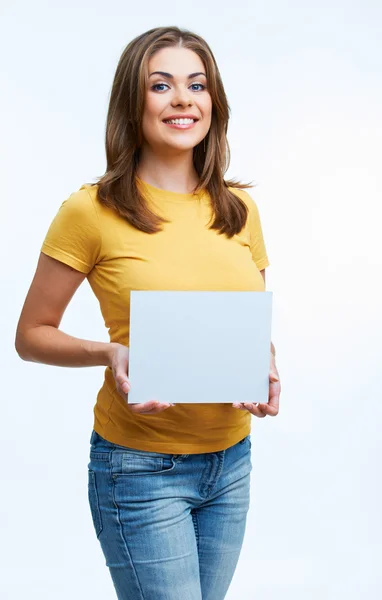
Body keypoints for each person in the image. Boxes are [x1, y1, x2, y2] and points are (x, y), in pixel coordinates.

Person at [15, 25, 281, 600]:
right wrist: (110, 352)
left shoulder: (240, 209)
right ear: (132, 104)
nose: (184, 99)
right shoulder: (91, 210)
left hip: (231, 462)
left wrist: (266, 370)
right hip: (139, 469)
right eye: (162, 85)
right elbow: (30, 335)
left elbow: (250, 328)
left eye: (198, 84)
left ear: (215, 103)